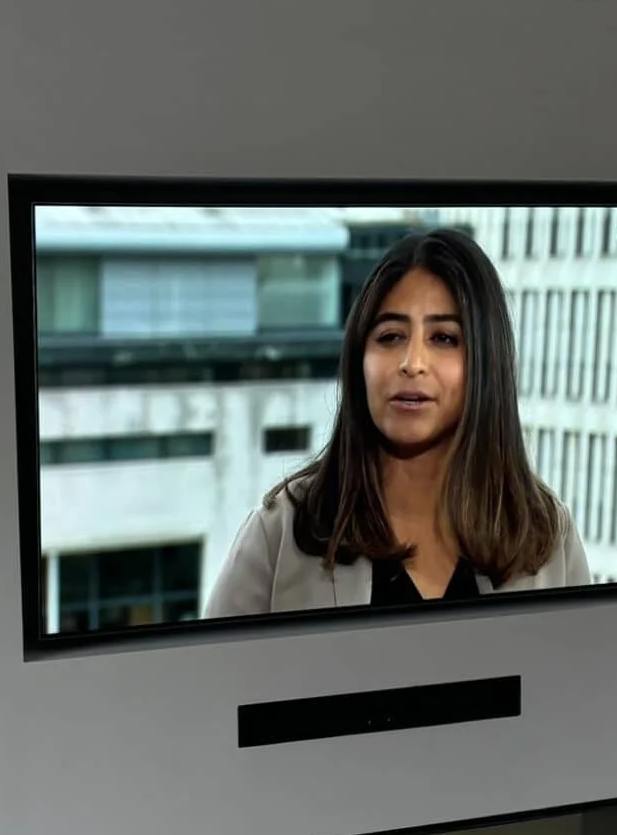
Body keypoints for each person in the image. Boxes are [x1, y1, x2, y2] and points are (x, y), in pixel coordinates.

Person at [205, 226, 590, 617]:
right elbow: (207, 673)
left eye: (444, 338)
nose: (412, 363)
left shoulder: (547, 535)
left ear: (485, 365)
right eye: (390, 336)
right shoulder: (282, 532)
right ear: (360, 360)